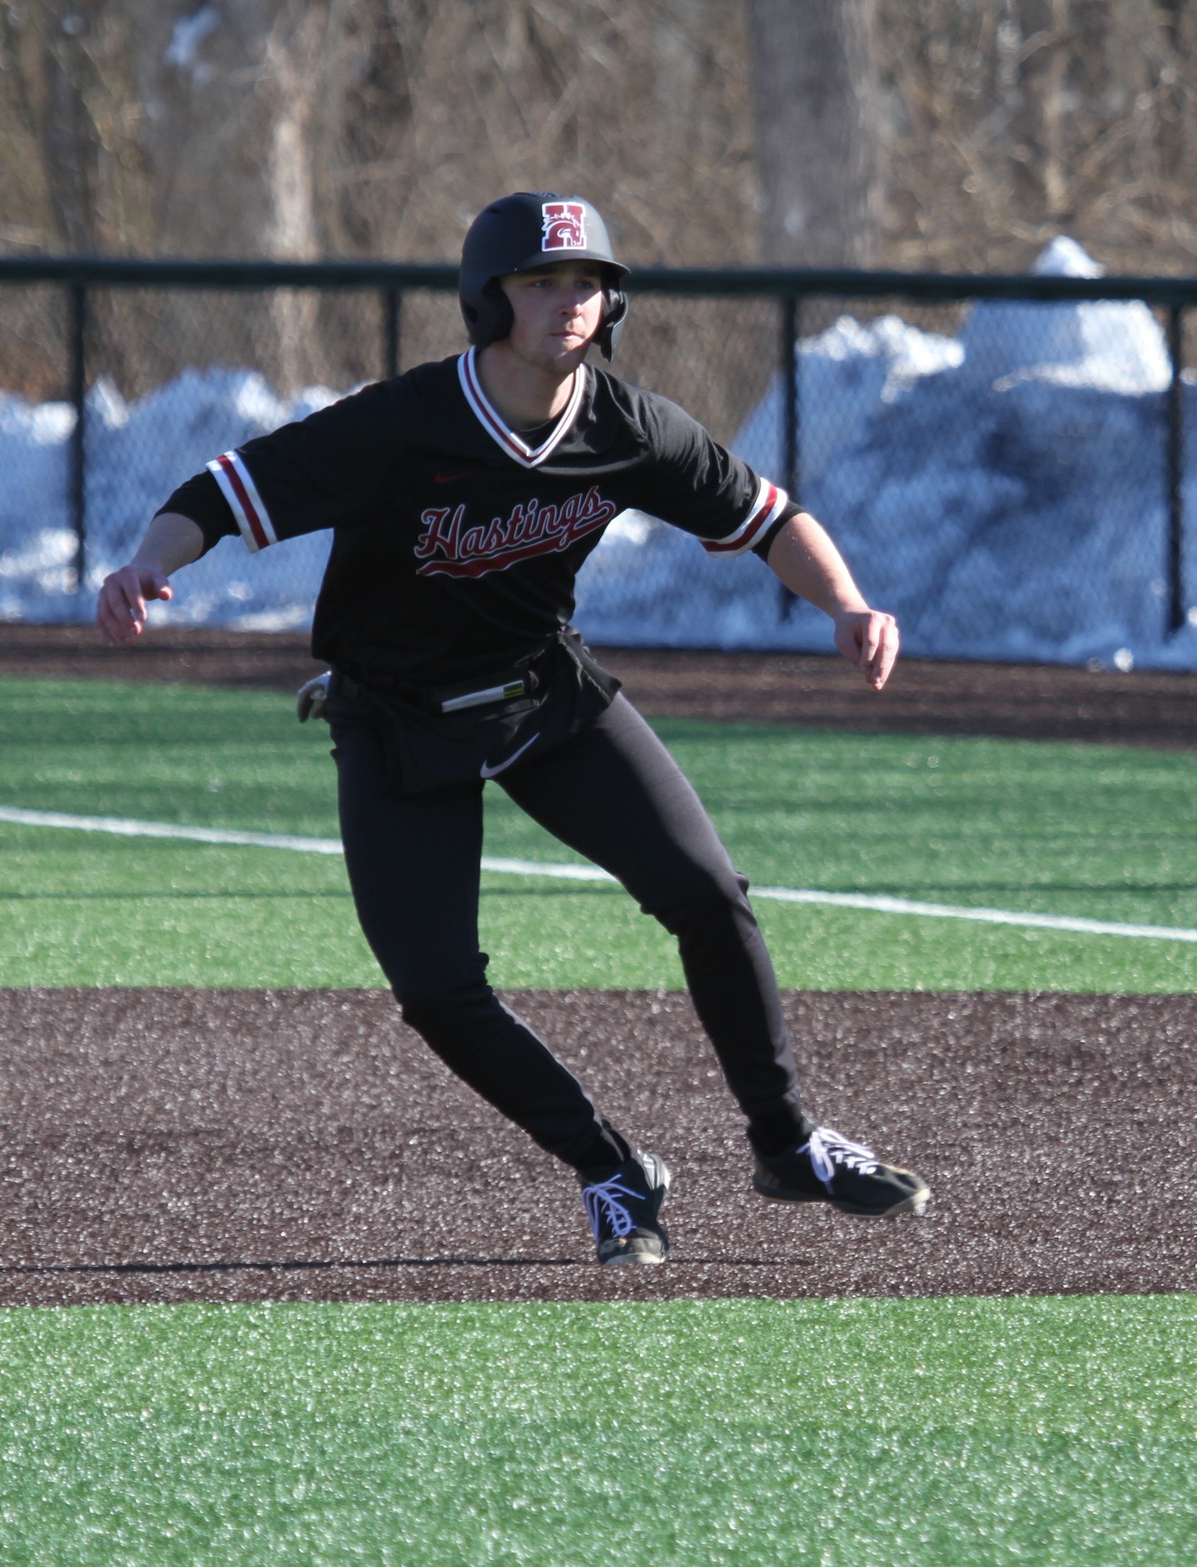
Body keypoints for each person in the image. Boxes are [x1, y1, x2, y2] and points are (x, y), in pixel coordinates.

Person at [98, 192, 929, 1265]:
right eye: (540, 282)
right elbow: (222, 491)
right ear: (487, 300)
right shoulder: (403, 422)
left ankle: (785, 1142)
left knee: (708, 896)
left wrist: (849, 605)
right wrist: (147, 565)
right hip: (396, 720)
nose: (568, 302)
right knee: (437, 989)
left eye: (587, 282)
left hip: (545, 695)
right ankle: (609, 1168)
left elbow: (765, 518)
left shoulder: (627, 425)